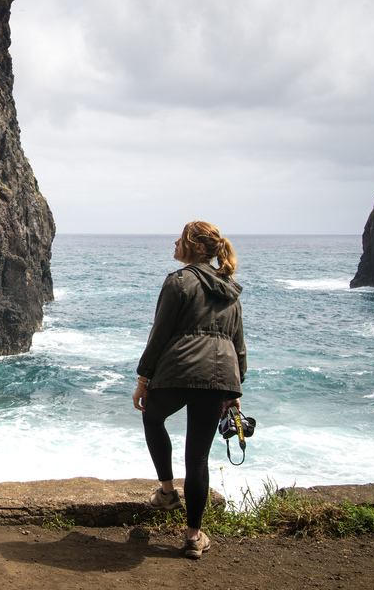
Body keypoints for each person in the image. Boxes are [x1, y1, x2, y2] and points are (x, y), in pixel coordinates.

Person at [132, 220, 246, 559]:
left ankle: (167, 491)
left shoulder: (178, 282)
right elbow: (238, 341)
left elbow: (160, 333)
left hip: (180, 369)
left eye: (179, 239)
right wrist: (235, 390)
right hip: (220, 376)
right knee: (197, 457)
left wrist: (143, 378)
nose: (174, 243)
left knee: (153, 418)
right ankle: (194, 537)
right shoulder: (230, 290)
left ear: (192, 246)